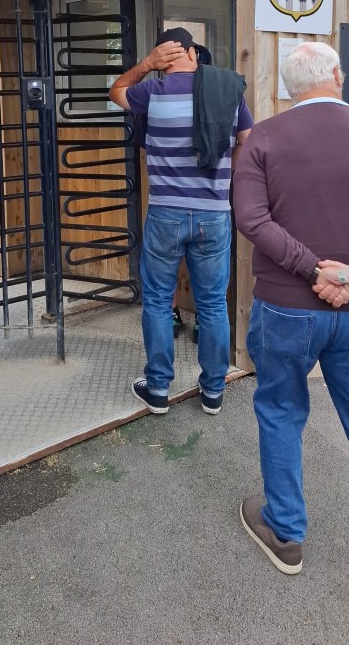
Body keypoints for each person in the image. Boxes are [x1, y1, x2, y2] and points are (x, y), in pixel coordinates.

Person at [233, 41, 349, 576]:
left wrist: (311, 270)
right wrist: (345, 277)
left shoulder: (263, 137)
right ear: (337, 76)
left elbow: (251, 219)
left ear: (288, 87)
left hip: (285, 308)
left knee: (281, 411)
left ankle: (286, 533)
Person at [109, 27, 253, 416]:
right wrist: (226, 176)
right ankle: (213, 391)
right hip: (214, 215)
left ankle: (157, 389)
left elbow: (116, 90)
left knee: (158, 300)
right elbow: (248, 138)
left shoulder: (151, 92)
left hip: (165, 213)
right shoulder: (227, 91)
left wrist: (145, 65)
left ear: (164, 57)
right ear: (192, 53)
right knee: (212, 303)